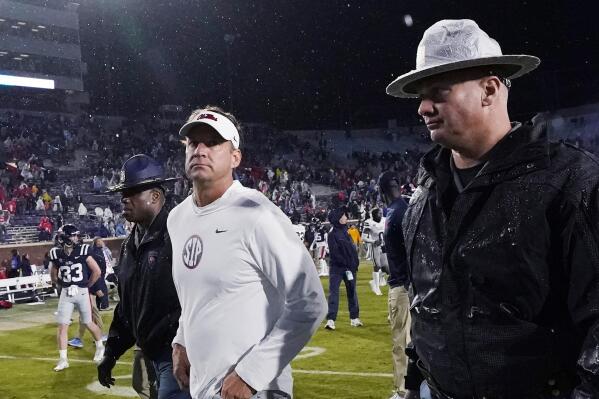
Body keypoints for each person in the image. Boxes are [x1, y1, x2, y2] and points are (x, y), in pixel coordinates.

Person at [386, 19, 599, 398]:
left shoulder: (570, 181)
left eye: (439, 91)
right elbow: (429, 305)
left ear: (489, 89)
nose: (422, 107)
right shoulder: (423, 194)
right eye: (421, 94)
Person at [169, 106, 326, 399]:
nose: (200, 150)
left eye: (213, 142)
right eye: (194, 142)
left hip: (256, 390)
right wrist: (181, 341)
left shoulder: (257, 214)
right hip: (203, 388)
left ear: (235, 157)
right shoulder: (177, 218)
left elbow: (310, 302)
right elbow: (197, 295)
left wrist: (251, 374)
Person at [97, 154, 188, 399]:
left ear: (155, 196)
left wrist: (186, 344)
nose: (124, 199)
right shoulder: (129, 244)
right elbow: (128, 306)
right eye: (123, 193)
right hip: (148, 353)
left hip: (179, 353)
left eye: (133, 192)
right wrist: (112, 352)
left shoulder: (180, 234)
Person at [49, 224, 104, 371]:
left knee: (88, 322)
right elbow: (53, 275)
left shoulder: (83, 250)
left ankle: (100, 347)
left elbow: (97, 271)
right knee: (62, 326)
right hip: (66, 293)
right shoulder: (56, 253)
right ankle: (63, 360)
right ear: (65, 239)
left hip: (81, 292)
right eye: (73, 235)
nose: (76, 238)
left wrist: (86, 285)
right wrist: (63, 284)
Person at [378, 171, 410, 399]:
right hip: (403, 283)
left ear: (381, 191)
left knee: (401, 342)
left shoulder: (398, 212)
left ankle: (403, 391)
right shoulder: (398, 210)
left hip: (403, 286)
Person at [324, 206, 362, 330]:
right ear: (338, 218)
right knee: (334, 293)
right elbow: (335, 253)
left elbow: (352, 250)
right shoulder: (332, 234)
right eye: (344, 216)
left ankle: (354, 318)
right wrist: (346, 264)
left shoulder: (346, 232)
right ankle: (331, 320)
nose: (346, 217)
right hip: (337, 268)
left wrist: (354, 264)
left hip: (349, 268)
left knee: (352, 292)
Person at [361, 208, 388, 296]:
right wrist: (373, 241)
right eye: (379, 213)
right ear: (374, 215)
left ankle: (376, 281)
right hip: (375, 246)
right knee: (377, 266)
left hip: (384, 245)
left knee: (386, 268)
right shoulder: (369, 222)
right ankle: (376, 287)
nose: (381, 215)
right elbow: (363, 237)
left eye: (381, 213)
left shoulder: (384, 220)